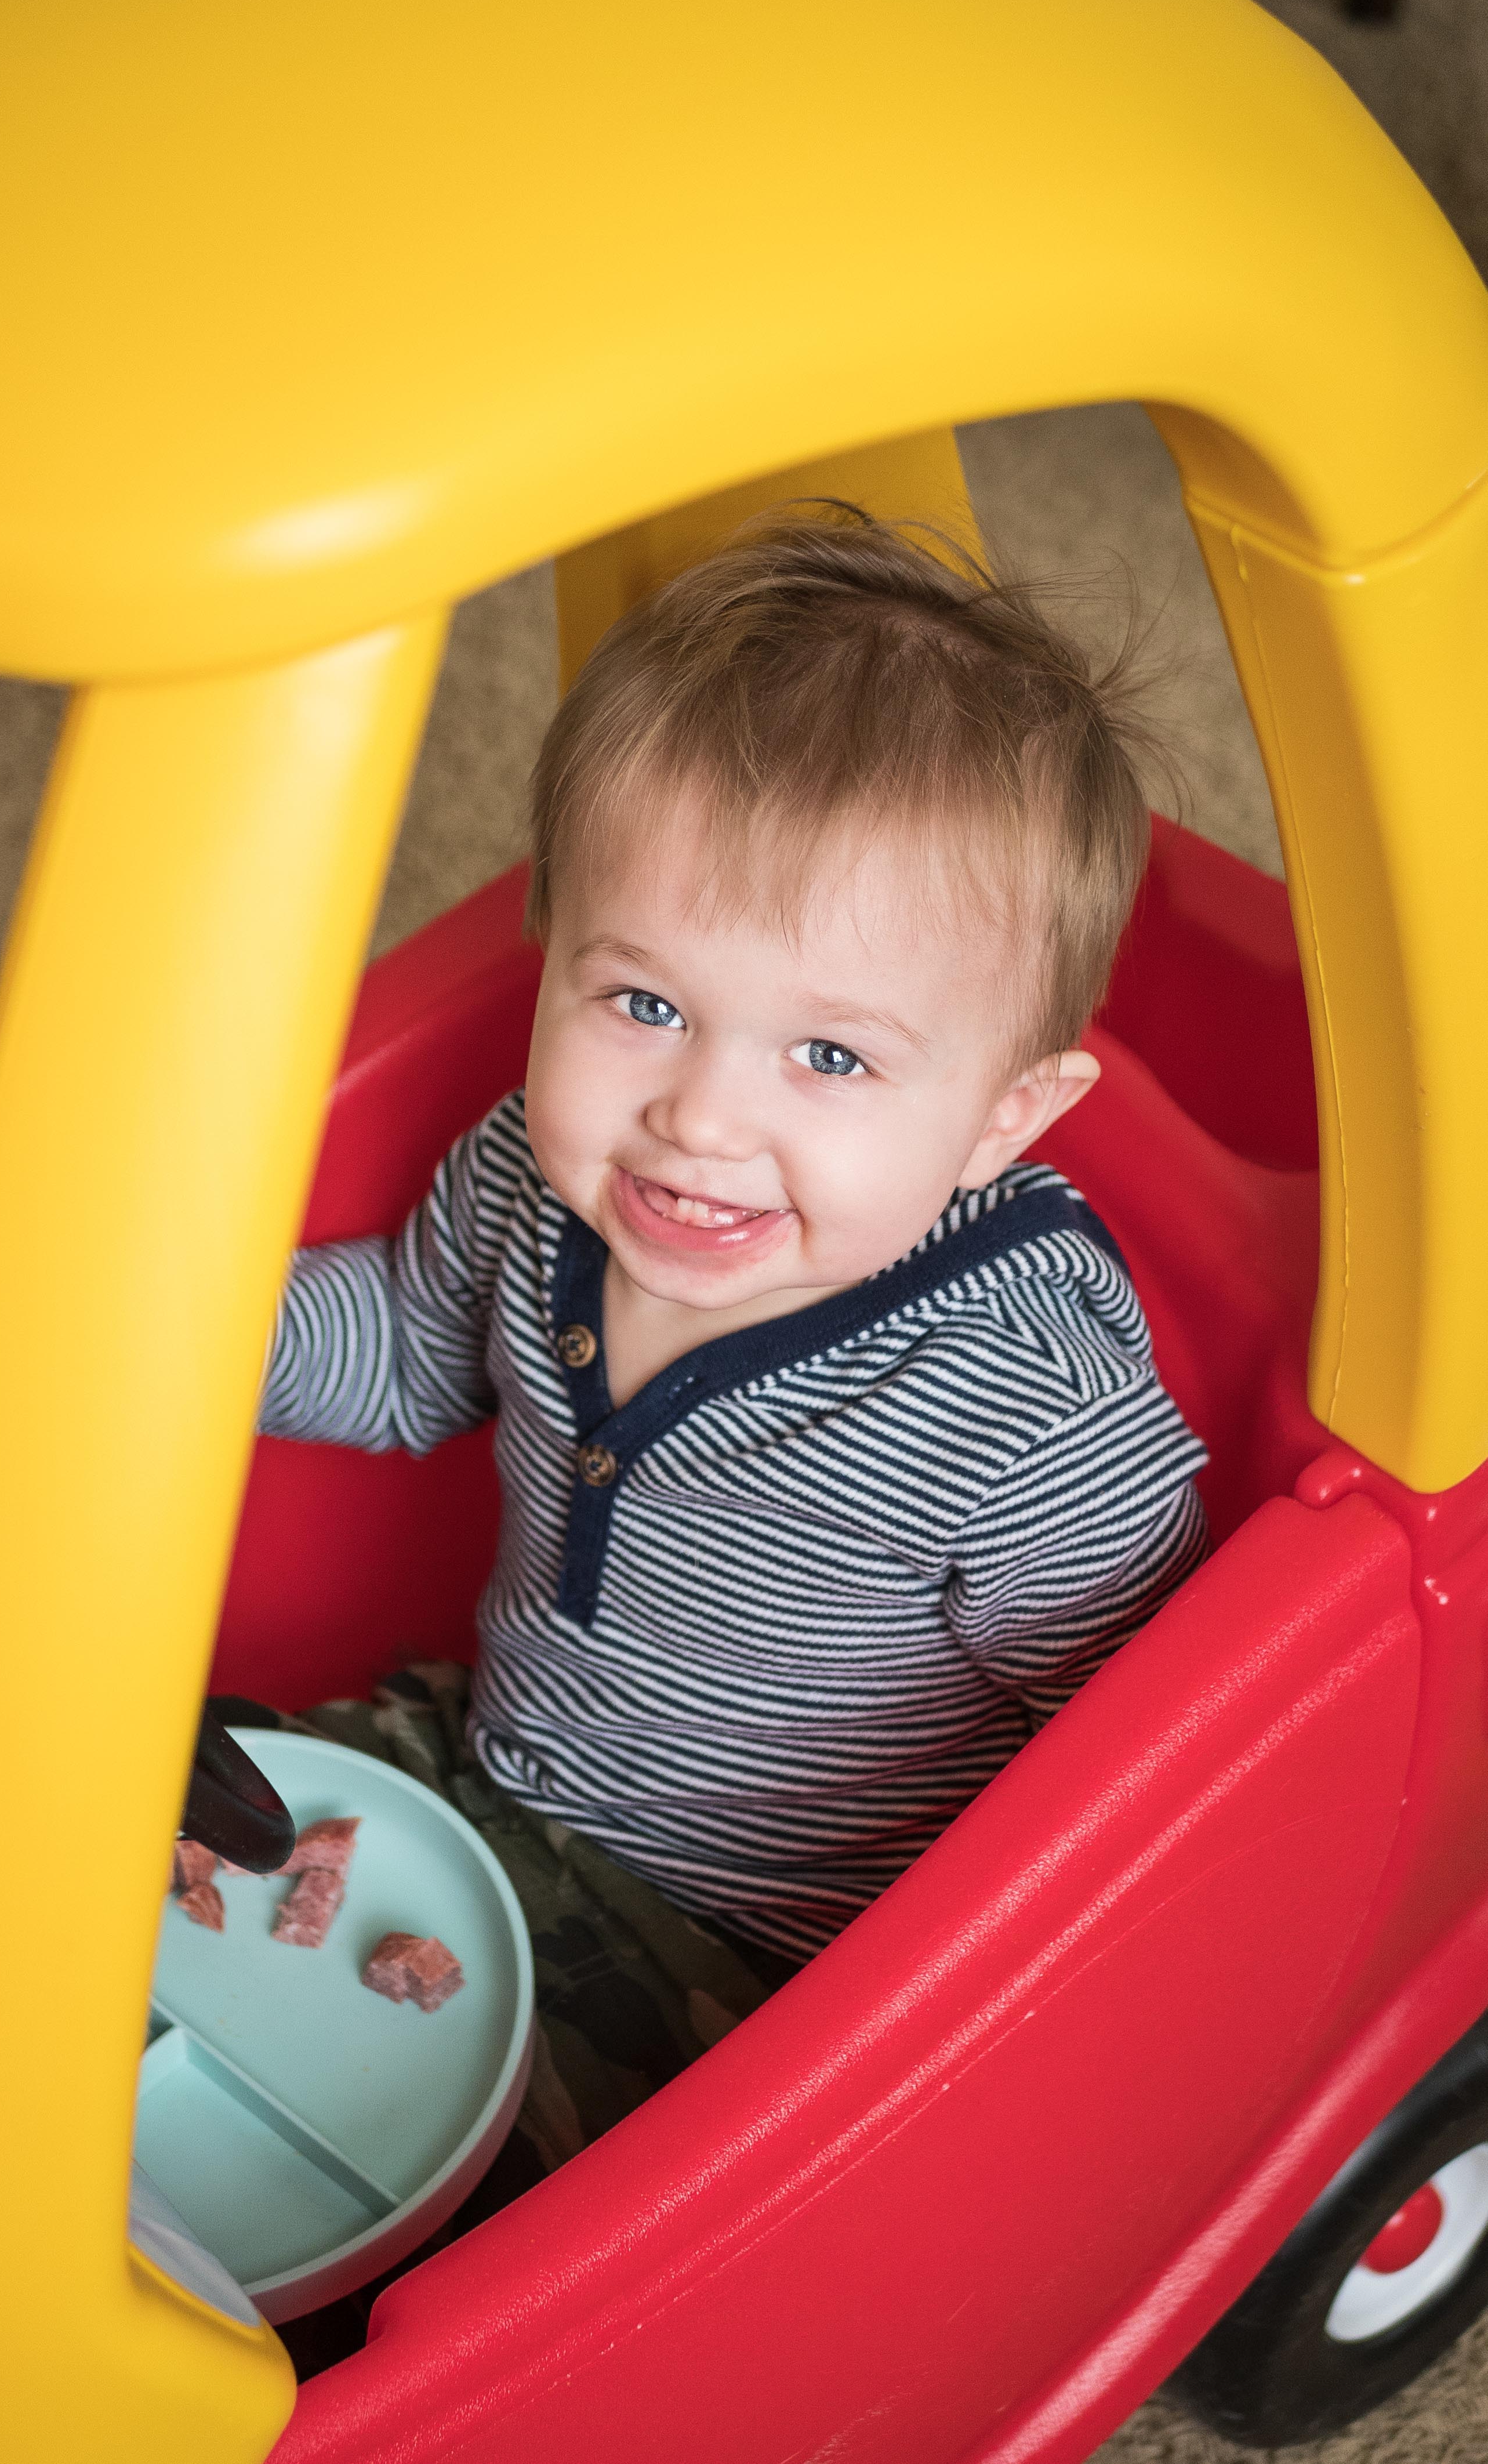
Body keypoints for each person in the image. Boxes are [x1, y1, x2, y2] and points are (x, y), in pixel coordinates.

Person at [258, 506, 1207, 2292]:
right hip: (492, 1751)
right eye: (643, 1000)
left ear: (1006, 1116)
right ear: (551, 950)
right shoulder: (541, 1185)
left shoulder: (1024, 1404)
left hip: (770, 1947)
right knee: (135, 1862)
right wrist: (173, 1336)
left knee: (430, 2257)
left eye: (830, 1055)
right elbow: (393, 1349)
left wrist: (945, 2053)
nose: (700, 1114)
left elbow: (1134, 1770)